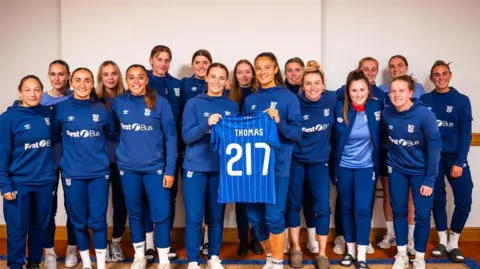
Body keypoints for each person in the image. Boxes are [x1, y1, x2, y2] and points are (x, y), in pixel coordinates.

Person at [111, 64, 177, 269]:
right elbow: (112, 133)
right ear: (126, 80)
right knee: (135, 213)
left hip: (155, 169)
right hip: (128, 169)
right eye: (131, 78)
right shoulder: (118, 103)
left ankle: (164, 259)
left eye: (140, 77)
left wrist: (169, 170)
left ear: (147, 79)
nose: (136, 81)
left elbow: (171, 138)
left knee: (161, 213)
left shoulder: (161, 103)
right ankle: (139, 256)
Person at [52, 68, 116, 269]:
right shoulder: (61, 108)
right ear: (71, 82)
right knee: (78, 220)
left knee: (98, 220)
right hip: (73, 174)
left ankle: (101, 265)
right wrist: (63, 163)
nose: (82, 84)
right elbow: (54, 138)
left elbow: (112, 134)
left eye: (87, 80)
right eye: (78, 80)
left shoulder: (103, 108)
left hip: (99, 173)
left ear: (92, 83)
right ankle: (87, 264)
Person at [243, 52, 302, 269]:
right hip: (252, 166)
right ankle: (270, 256)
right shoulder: (250, 99)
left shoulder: (288, 98)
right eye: (258, 68)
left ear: (276, 69)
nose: (262, 72)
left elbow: (296, 134)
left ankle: (277, 262)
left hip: (277, 166)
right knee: (254, 217)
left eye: (267, 67)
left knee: (274, 215)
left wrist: (279, 121)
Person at [182, 63, 239, 269]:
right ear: (205, 78)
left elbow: (237, 140)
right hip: (195, 168)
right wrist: (207, 124)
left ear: (227, 82)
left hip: (221, 169)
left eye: (221, 78)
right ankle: (193, 261)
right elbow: (187, 136)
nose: (216, 81)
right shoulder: (193, 104)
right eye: (212, 76)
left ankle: (214, 257)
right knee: (194, 217)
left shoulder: (232, 106)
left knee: (216, 217)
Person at [383, 75, 441, 269]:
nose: (397, 94)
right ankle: (401, 254)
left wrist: (430, 179)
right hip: (397, 169)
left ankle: (419, 257)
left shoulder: (424, 115)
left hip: (421, 172)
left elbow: (434, 149)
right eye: (393, 91)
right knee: (399, 210)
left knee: (422, 215)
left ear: (411, 92)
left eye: (401, 90)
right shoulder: (387, 113)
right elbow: (385, 140)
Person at [0, 75, 56, 269]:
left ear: (42, 92)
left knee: (40, 228)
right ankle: (15, 265)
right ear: (20, 92)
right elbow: (2, 154)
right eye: (28, 90)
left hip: (45, 182)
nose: (33, 94)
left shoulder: (47, 114)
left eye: (37, 90)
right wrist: (4, 184)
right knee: (17, 230)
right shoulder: (8, 118)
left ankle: (34, 263)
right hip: (18, 184)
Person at [420, 61, 473, 263]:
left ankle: (454, 242)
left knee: (464, 200)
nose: (440, 77)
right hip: (433, 158)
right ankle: (442, 240)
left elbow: (465, 133)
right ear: (432, 78)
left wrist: (460, 161)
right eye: (436, 74)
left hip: (455, 158)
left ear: (450, 75)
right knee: (437, 199)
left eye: (444, 74)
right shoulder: (425, 100)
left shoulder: (461, 100)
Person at [286, 60, 336, 269]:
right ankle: (296, 247)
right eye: (308, 83)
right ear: (302, 86)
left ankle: (322, 252)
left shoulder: (332, 99)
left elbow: (354, 89)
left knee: (323, 207)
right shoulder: (293, 102)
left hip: (319, 164)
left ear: (324, 85)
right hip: (296, 162)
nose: (313, 87)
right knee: (294, 205)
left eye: (317, 83)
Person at [332, 70, 382, 269]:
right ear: (348, 90)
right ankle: (350, 251)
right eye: (354, 90)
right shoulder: (339, 107)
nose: (358, 94)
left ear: (368, 89)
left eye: (362, 89)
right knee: (346, 208)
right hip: (344, 167)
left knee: (362, 209)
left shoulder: (376, 105)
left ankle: (361, 255)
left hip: (366, 167)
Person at [377, 55, 424, 253]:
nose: (395, 69)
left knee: (411, 198)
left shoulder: (419, 89)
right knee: (390, 195)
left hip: (412, 153)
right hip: (390, 151)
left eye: (399, 65)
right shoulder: (380, 91)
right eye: (392, 66)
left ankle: (411, 239)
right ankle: (391, 234)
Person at [146, 45, 183, 261]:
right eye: (159, 59)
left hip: (172, 148)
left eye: (167, 59)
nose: (163, 63)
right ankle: (149, 244)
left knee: (168, 198)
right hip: (149, 150)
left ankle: (165, 243)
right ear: (151, 60)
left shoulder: (177, 85)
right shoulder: (143, 81)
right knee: (147, 200)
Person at [41, 60, 78, 269]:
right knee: (49, 209)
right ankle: (50, 252)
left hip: (72, 161)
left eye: (61, 74)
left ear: (68, 75)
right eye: (53, 74)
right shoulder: (41, 99)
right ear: (49, 75)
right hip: (47, 162)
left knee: (73, 207)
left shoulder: (77, 97)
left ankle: (72, 247)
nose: (57, 78)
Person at [229, 59, 264, 256]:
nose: (243, 75)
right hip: (237, 154)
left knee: (258, 199)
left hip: (257, 152)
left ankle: (258, 239)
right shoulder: (229, 95)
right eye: (239, 72)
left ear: (253, 74)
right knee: (241, 201)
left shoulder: (259, 96)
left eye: (247, 72)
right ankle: (243, 240)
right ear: (235, 75)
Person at [180, 49, 213, 254]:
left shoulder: (222, 91)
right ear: (193, 64)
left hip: (215, 156)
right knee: (193, 208)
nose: (201, 66)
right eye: (197, 62)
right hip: (192, 150)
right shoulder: (184, 85)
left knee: (213, 207)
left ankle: (209, 242)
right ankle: (193, 251)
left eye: (205, 62)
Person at [96, 60, 127, 262]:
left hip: (122, 159)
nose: (110, 78)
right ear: (100, 78)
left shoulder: (128, 99)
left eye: (114, 73)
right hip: (98, 159)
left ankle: (116, 242)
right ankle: (101, 245)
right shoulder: (92, 100)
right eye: (106, 74)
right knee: (98, 204)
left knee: (120, 202)